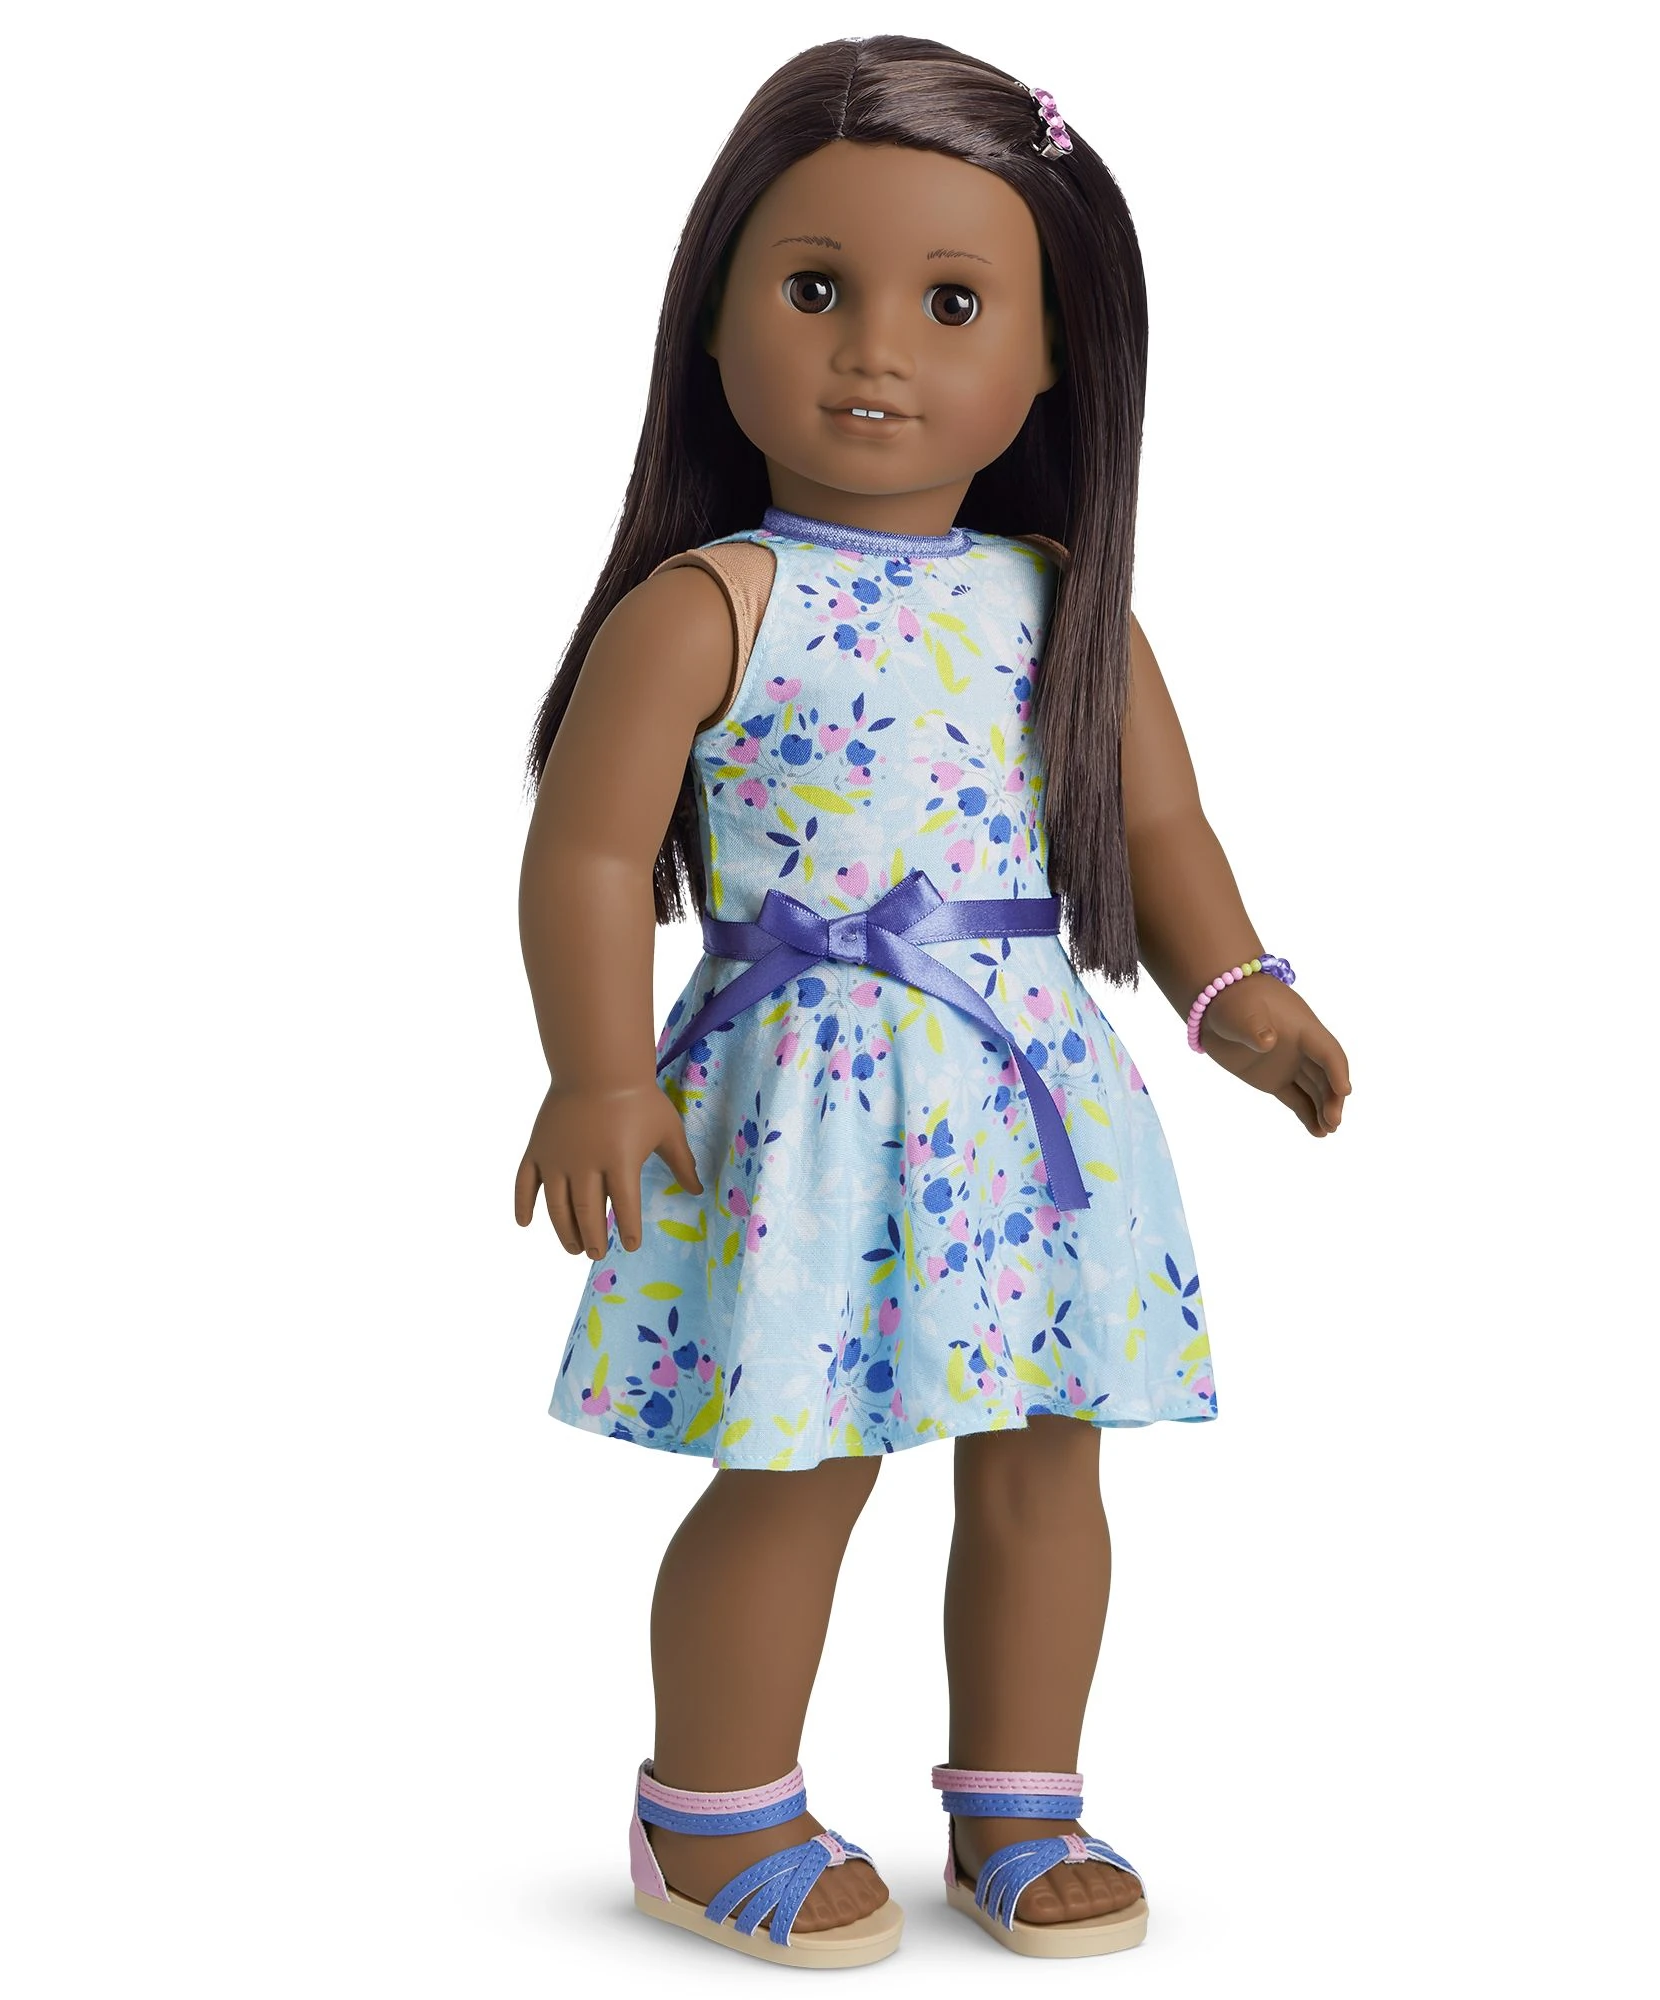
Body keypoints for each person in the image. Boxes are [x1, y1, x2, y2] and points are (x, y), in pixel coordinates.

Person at [514, 36, 1352, 1968]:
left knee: (1048, 1457)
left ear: (1056, 357)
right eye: (815, 288)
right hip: (804, 1100)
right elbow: (585, 855)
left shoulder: (1059, 602)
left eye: (953, 304)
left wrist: (1239, 994)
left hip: (1021, 1097)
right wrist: (594, 1076)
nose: (874, 354)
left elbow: (1159, 828)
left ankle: (1018, 1800)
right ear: (711, 312)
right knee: (797, 1462)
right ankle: (712, 1806)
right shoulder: (708, 605)